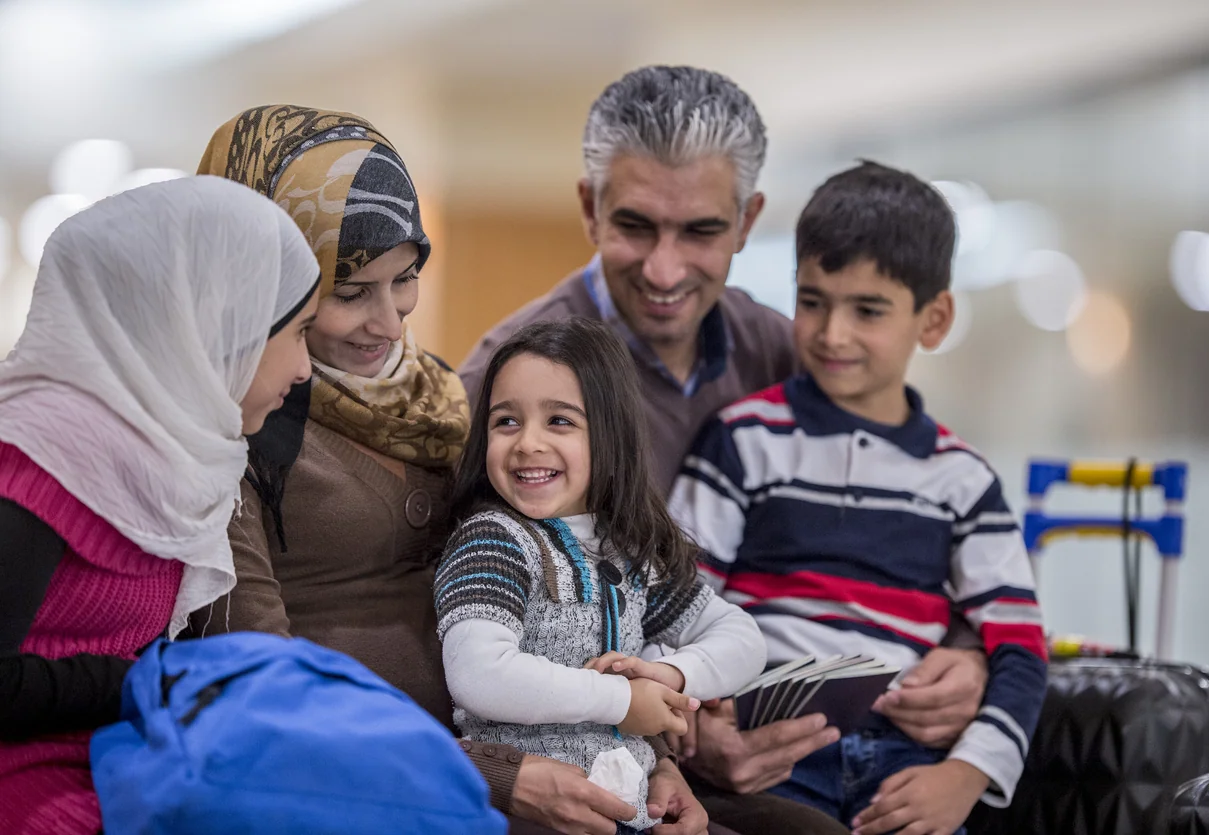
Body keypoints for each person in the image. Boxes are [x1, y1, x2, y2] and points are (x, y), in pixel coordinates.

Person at [459, 65, 991, 834]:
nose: (665, 269)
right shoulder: (502, 384)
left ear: (747, 222)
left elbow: (918, 515)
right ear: (589, 207)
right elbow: (456, 626)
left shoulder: (786, 353)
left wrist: (967, 655)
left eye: (701, 231)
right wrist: (677, 733)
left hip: (787, 748)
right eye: (635, 225)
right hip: (598, 762)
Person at [193, 105, 716, 835]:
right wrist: (494, 777)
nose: (390, 321)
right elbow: (261, 684)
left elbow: (569, 596)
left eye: (404, 279)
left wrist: (649, 759)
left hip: (544, 747)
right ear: (267, 283)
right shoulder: (229, 427)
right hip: (372, 784)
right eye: (349, 292)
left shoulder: (445, 400)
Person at [668, 162, 1050, 835]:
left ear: (933, 319)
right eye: (812, 300)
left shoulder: (963, 478)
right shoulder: (741, 438)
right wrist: (702, 716)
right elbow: (678, 601)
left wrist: (964, 777)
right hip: (771, 751)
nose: (830, 333)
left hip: (909, 768)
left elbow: (1019, 645)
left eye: (866, 310)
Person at [0, 176, 321, 835]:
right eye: (297, 332)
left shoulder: (179, 451)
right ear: (218, 321)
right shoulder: (37, 450)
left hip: (117, 762)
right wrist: (146, 683)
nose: (304, 370)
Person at [436, 318, 767, 831]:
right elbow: (478, 674)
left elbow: (742, 638)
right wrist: (621, 701)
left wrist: (672, 675)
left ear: (610, 434)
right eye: (506, 422)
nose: (527, 443)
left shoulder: (630, 551)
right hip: (522, 812)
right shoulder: (494, 541)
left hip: (629, 811)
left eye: (560, 422)